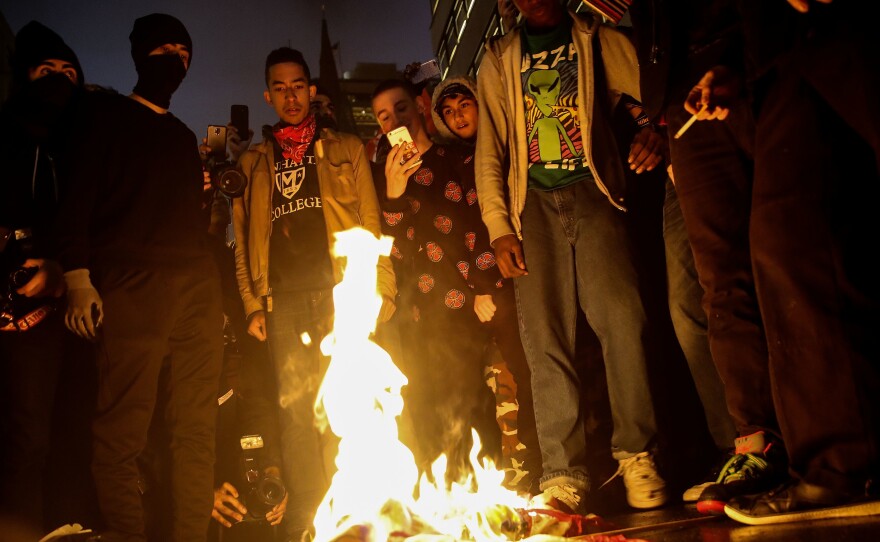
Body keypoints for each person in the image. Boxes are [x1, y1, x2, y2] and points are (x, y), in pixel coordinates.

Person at [683, 0, 879, 524]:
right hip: (777, 51)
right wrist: (735, 62)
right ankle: (838, 459)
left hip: (813, 35)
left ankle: (844, 462)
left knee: (795, 238)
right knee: (786, 243)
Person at [474, 0, 668, 512]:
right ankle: (563, 474)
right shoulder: (499, 56)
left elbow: (652, 89)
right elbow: (490, 147)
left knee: (624, 320)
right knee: (545, 340)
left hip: (595, 190)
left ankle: (637, 454)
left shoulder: (595, 38)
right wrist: (499, 226)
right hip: (530, 207)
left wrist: (656, 127)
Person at [53, 13, 225, 542]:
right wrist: (79, 277)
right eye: (165, 48)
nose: (176, 58)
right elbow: (76, 195)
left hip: (195, 284)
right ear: (141, 54)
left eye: (184, 51)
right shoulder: (102, 114)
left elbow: (189, 218)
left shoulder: (181, 135)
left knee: (196, 429)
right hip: (132, 280)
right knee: (122, 430)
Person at [231, 47, 396, 540]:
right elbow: (243, 242)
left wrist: (381, 287)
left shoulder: (345, 147)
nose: (290, 95)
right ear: (268, 95)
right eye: (279, 88)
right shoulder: (253, 162)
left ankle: (354, 513)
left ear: (311, 89)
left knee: (351, 403)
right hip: (282, 301)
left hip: (340, 294)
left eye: (297, 85)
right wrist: (251, 304)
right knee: (297, 413)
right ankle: (308, 519)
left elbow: (371, 220)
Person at [625, 0, 782, 514]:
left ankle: (826, 437)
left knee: (788, 260)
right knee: (717, 287)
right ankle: (755, 443)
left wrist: (741, 57)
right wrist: (662, 114)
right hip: (683, 108)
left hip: (766, 66)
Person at [370, 77, 504, 489]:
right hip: (415, 313)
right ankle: (441, 500)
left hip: (461, 302)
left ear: (422, 108)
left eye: (402, 109)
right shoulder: (385, 175)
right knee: (424, 405)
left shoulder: (456, 159)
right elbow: (389, 249)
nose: (396, 121)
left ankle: (483, 492)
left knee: (468, 401)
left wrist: (483, 284)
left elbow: (479, 221)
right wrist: (393, 193)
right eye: (385, 116)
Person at [0, 20, 96, 535]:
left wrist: (69, 270)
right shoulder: (9, 138)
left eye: (68, 72)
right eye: (46, 70)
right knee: (26, 438)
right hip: (20, 318)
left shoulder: (87, 145)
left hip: (78, 315)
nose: (59, 80)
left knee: (71, 432)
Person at [428, 75, 543, 495]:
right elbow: (451, 227)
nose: (458, 116)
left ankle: (539, 462)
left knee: (534, 368)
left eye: (464, 105)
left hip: (525, 268)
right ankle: (496, 475)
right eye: (449, 111)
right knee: (491, 378)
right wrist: (476, 286)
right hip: (485, 285)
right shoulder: (448, 162)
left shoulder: (504, 146)